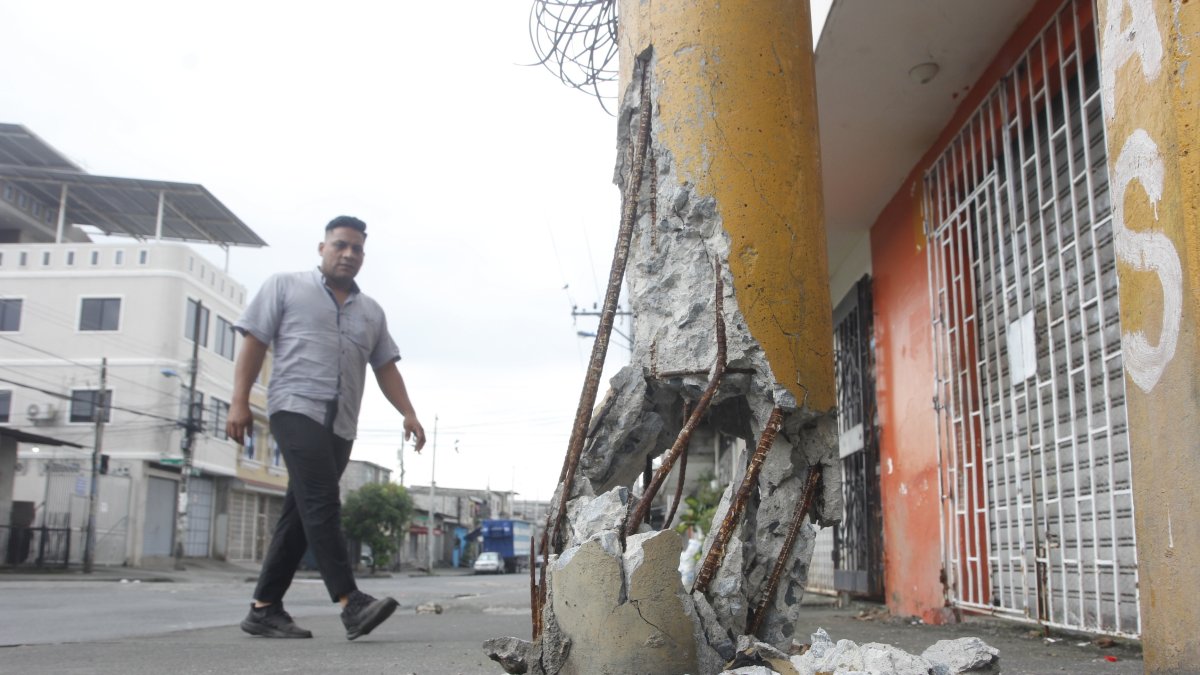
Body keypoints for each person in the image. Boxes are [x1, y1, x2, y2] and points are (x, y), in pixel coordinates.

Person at [226, 215, 426, 640]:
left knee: (300, 515)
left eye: (356, 248)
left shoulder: (371, 312)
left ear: (363, 256)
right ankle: (350, 602)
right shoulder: (284, 286)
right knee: (321, 499)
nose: (348, 254)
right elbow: (254, 342)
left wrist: (408, 412)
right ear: (322, 248)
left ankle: (263, 608)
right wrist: (239, 401)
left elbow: (385, 366)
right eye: (340, 245)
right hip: (294, 408)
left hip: (341, 424)